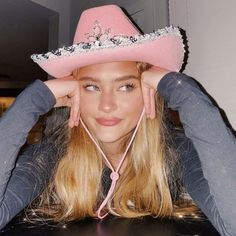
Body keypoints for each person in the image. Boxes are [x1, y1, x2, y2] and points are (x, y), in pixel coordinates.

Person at [0, 4, 235, 236]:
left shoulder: (175, 150)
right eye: (92, 86)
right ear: (73, 95)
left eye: (125, 86)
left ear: (148, 92)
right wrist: (34, 99)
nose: (107, 105)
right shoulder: (54, 154)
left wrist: (178, 88)